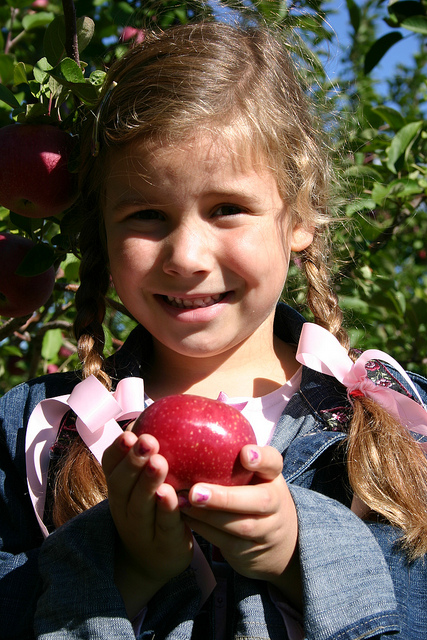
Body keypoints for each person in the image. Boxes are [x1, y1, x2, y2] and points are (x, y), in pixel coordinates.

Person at [1, 20, 427, 640]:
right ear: (104, 230)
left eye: (227, 208)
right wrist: (127, 573)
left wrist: (301, 557)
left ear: (300, 214)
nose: (187, 256)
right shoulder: (36, 434)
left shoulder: (398, 420)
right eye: (146, 214)